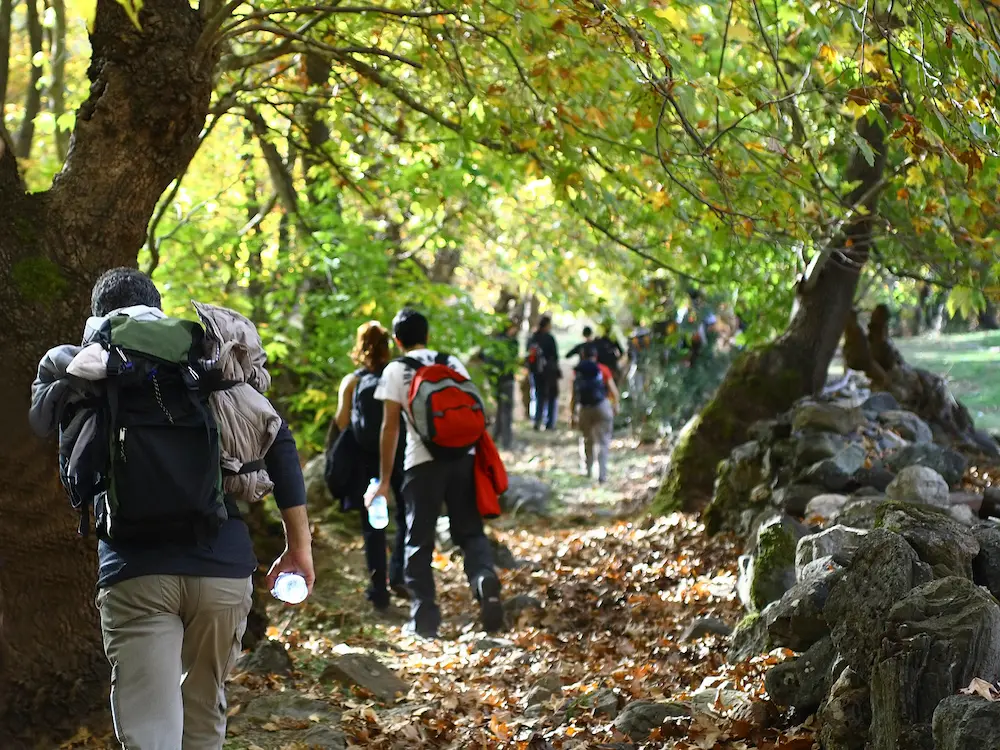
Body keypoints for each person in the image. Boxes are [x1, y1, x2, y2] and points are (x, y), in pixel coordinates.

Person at [29, 267, 314, 750]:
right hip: (221, 567)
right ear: (158, 310)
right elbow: (277, 441)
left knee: (152, 733)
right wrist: (298, 547)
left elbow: (46, 431)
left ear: (100, 316)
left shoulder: (88, 367)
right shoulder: (203, 364)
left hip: (135, 573)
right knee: (204, 716)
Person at [371, 308, 504, 638]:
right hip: (464, 459)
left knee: (419, 540)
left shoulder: (396, 369)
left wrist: (385, 480)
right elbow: (477, 409)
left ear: (398, 340)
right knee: (470, 531)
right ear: (427, 335)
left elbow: (389, 428)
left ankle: (425, 619)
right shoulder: (452, 362)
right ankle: (483, 578)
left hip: (421, 463)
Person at [332, 321, 407, 611]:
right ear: (388, 345)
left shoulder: (352, 381)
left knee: (373, 525)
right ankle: (399, 572)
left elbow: (341, 422)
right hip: (399, 454)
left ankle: (379, 590)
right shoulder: (397, 375)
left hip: (367, 461)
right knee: (405, 515)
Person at [570, 345, 620, 483]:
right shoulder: (603, 369)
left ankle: (587, 470)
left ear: (582, 355)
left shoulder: (577, 372)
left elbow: (574, 396)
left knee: (587, 439)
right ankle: (602, 476)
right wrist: (616, 405)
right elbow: (613, 391)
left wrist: (572, 414)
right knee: (602, 441)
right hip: (602, 407)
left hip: (584, 409)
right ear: (595, 356)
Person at [478, 318, 520, 450]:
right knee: (505, 410)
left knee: (499, 410)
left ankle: (496, 437)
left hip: (494, 380)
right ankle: (505, 441)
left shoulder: (492, 341)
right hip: (505, 379)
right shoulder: (511, 342)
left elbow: (482, 356)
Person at [526, 315, 560, 431]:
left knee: (538, 395)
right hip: (549, 372)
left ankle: (537, 420)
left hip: (535, 372)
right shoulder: (549, 338)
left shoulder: (533, 338)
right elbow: (555, 356)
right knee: (551, 396)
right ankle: (549, 423)